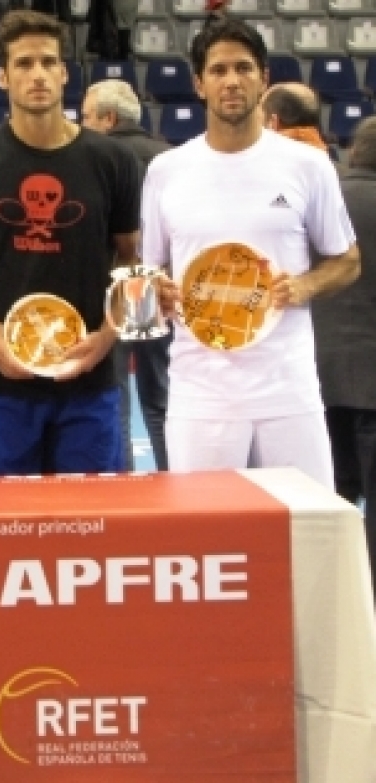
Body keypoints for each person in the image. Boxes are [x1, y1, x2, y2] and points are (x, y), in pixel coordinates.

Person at [140, 16, 360, 484]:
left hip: (288, 388)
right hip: (200, 392)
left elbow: (346, 260)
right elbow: (150, 270)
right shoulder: (165, 172)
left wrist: (304, 284)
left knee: (304, 534)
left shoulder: (308, 166)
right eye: (218, 71)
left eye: (243, 68)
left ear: (264, 79)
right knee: (203, 539)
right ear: (199, 84)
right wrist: (154, 290)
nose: (232, 81)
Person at [0, 9, 141, 478]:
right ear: (2, 77)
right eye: (24, 64)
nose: (38, 74)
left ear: (65, 73)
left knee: (91, 531)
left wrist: (105, 338)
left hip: (88, 381)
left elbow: (133, 261)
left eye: (48, 62)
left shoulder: (112, 161)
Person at [81, 79, 172, 471]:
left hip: (113, 287)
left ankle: (121, 481)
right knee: (162, 395)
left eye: (85, 117)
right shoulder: (170, 157)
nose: (80, 124)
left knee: (113, 391)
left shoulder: (91, 157)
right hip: (161, 286)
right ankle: (175, 474)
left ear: (108, 118)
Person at [311, 117, 376, 604]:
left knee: (326, 502)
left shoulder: (326, 198)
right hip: (371, 383)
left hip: (320, 376)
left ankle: (325, 598)